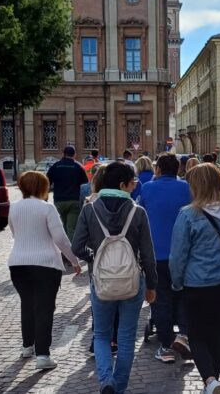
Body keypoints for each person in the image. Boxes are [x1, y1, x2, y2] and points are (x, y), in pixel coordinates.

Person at [72, 162, 157, 393]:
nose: (135, 187)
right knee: (127, 337)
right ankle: (118, 388)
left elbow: (77, 246)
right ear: (122, 185)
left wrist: (95, 257)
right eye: (133, 183)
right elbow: (148, 255)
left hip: (100, 281)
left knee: (101, 334)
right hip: (132, 280)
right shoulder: (137, 211)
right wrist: (152, 286)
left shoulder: (89, 209)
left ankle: (106, 381)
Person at [169, 163, 220, 394]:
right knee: (216, 333)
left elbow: (178, 256)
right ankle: (212, 381)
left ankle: (210, 380)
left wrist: (177, 282)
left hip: (196, 284)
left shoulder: (187, 215)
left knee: (196, 334)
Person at [8, 171, 81, 370]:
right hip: (46, 264)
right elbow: (61, 239)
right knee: (44, 308)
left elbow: (15, 234)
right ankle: (43, 355)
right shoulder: (47, 208)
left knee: (27, 304)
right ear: (43, 187)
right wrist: (74, 261)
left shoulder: (14, 208)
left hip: (17, 263)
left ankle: (27, 346)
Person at [139, 153, 192, 364]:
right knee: (182, 295)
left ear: (158, 169)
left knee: (160, 299)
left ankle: (166, 346)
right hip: (183, 253)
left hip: (155, 254)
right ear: (178, 168)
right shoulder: (188, 188)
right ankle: (184, 335)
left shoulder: (148, 188)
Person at [47, 145, 89, 240]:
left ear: (63, 154)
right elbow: (85, 184)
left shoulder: (55, 166)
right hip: (74, 200)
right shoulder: (78, 166)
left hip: (58, 201)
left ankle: (63, 250)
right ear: (74, 155)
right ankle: (70, 252)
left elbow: (47, 182)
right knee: (72, 228)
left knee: (61, 227)